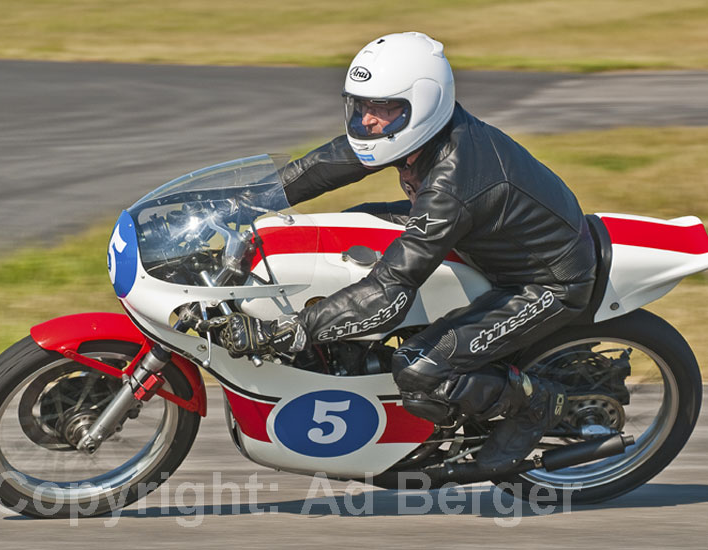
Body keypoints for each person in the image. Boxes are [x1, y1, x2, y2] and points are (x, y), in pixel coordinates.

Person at [212, 31, 597, 473]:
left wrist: (294, 329)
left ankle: (536, 404)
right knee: (344, 228)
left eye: (384, 108)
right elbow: (321, 167)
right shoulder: (418, 135)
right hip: (480, 241)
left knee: (418, 368)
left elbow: (390, 291)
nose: (369, 121)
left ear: (426, 104)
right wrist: (239, 202)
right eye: (363, 106)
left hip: (545, 280)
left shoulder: (454, 184)